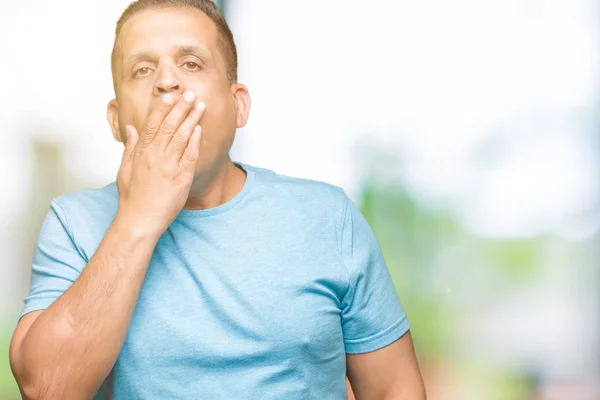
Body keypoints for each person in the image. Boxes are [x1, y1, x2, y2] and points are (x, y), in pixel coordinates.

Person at [9, 1, 426, 399]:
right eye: (142, 68)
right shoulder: (73, 223)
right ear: (116, 120)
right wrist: (139, 217)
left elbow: (395, 390)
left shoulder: (328, 218)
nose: (167, 82)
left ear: (238, 104)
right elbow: (47, 390)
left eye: (191, 64)